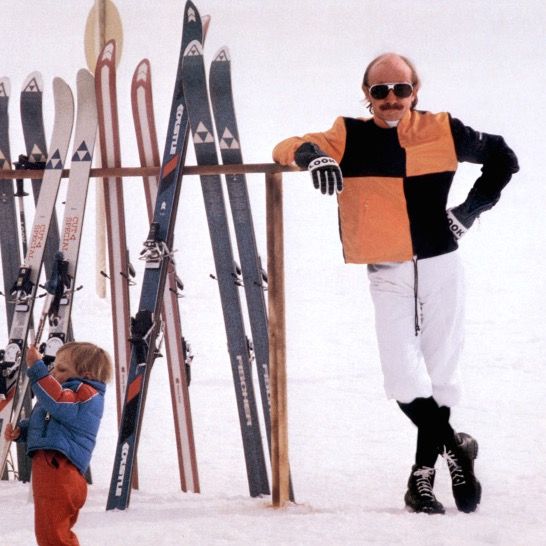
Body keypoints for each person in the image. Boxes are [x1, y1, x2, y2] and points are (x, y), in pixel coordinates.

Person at [272, 52, 519, 514]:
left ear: (415, 91)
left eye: (400, 90)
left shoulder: (442, 129)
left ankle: (419, 481)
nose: (391, 99)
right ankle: (456, 450)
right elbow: (287, 145)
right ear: (366, 94)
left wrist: (468, 213)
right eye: (380, 90)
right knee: (404, 376)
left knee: (442, 376)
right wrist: (315, 158)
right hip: (387, 268)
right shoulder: (348, 133)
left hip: (442, 262)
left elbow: (504, 157)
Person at [4, 342, 112, 545]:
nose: (53, 372)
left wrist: (37, 368)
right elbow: (48, 422)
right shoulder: (68, 394)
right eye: (53, 367)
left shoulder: (84, 394)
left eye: (62, 369)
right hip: (54, 469)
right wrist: (22, 431)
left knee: (52, 535)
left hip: (60, 470)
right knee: (51, 532)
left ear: (86, 374)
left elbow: (58, 403)